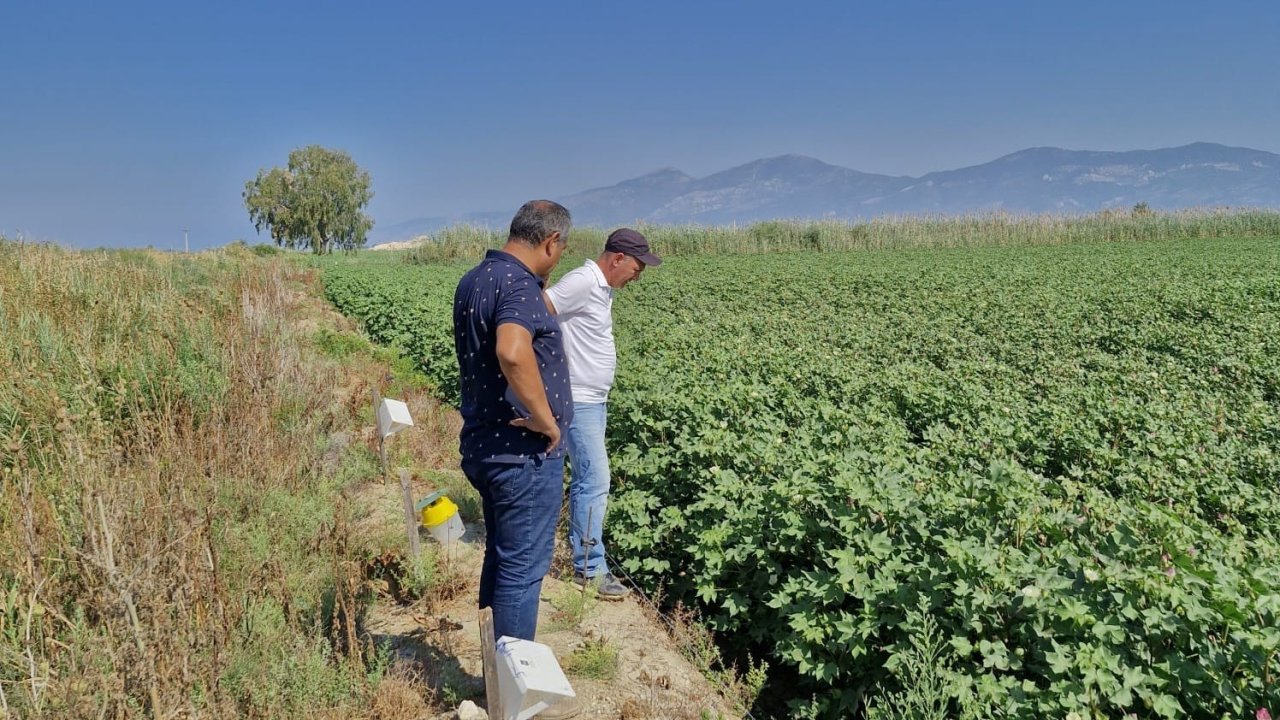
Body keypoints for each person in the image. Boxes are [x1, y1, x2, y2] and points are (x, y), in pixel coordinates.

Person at [453, 200, 573, 643]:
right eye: (562, 249)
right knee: (523, 570)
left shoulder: (476, 279)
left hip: (486, 446)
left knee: (502, 560)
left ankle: (496, 677)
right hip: (521, 456)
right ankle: (515, 689)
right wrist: (546, 422)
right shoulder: (517, 284)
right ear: (551, 241)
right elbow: (511, 350)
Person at [545, 228, 661, 599]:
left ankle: (584, 561)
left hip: (592, 399)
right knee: (595, 478)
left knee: (588, 477)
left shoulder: (601, 288)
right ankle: (590, 569)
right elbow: (539, 309)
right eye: (637, 268)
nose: (637, 276)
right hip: (578, 399)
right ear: (617, 259)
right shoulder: (583, 281)